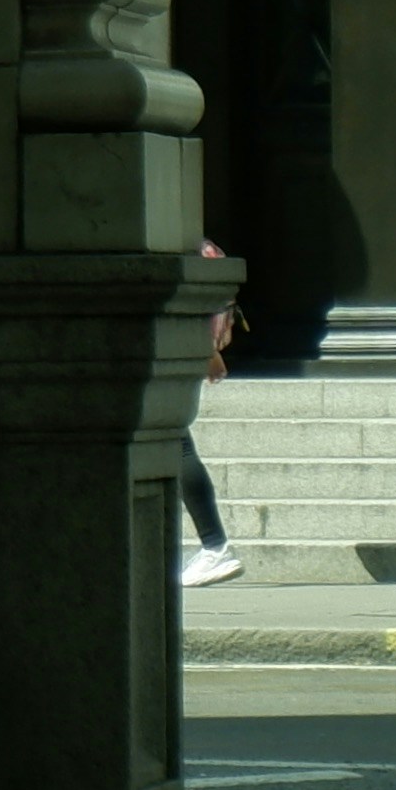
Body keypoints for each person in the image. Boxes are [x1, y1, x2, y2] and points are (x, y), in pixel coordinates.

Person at [175, 249, 243, 587]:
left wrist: (209, 352)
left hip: (171, 351)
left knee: (176, 443)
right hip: (184, 350)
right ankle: (213, 546)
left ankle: (214, 546)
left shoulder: (177, 239)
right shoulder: (197, 244)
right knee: (176, 442)